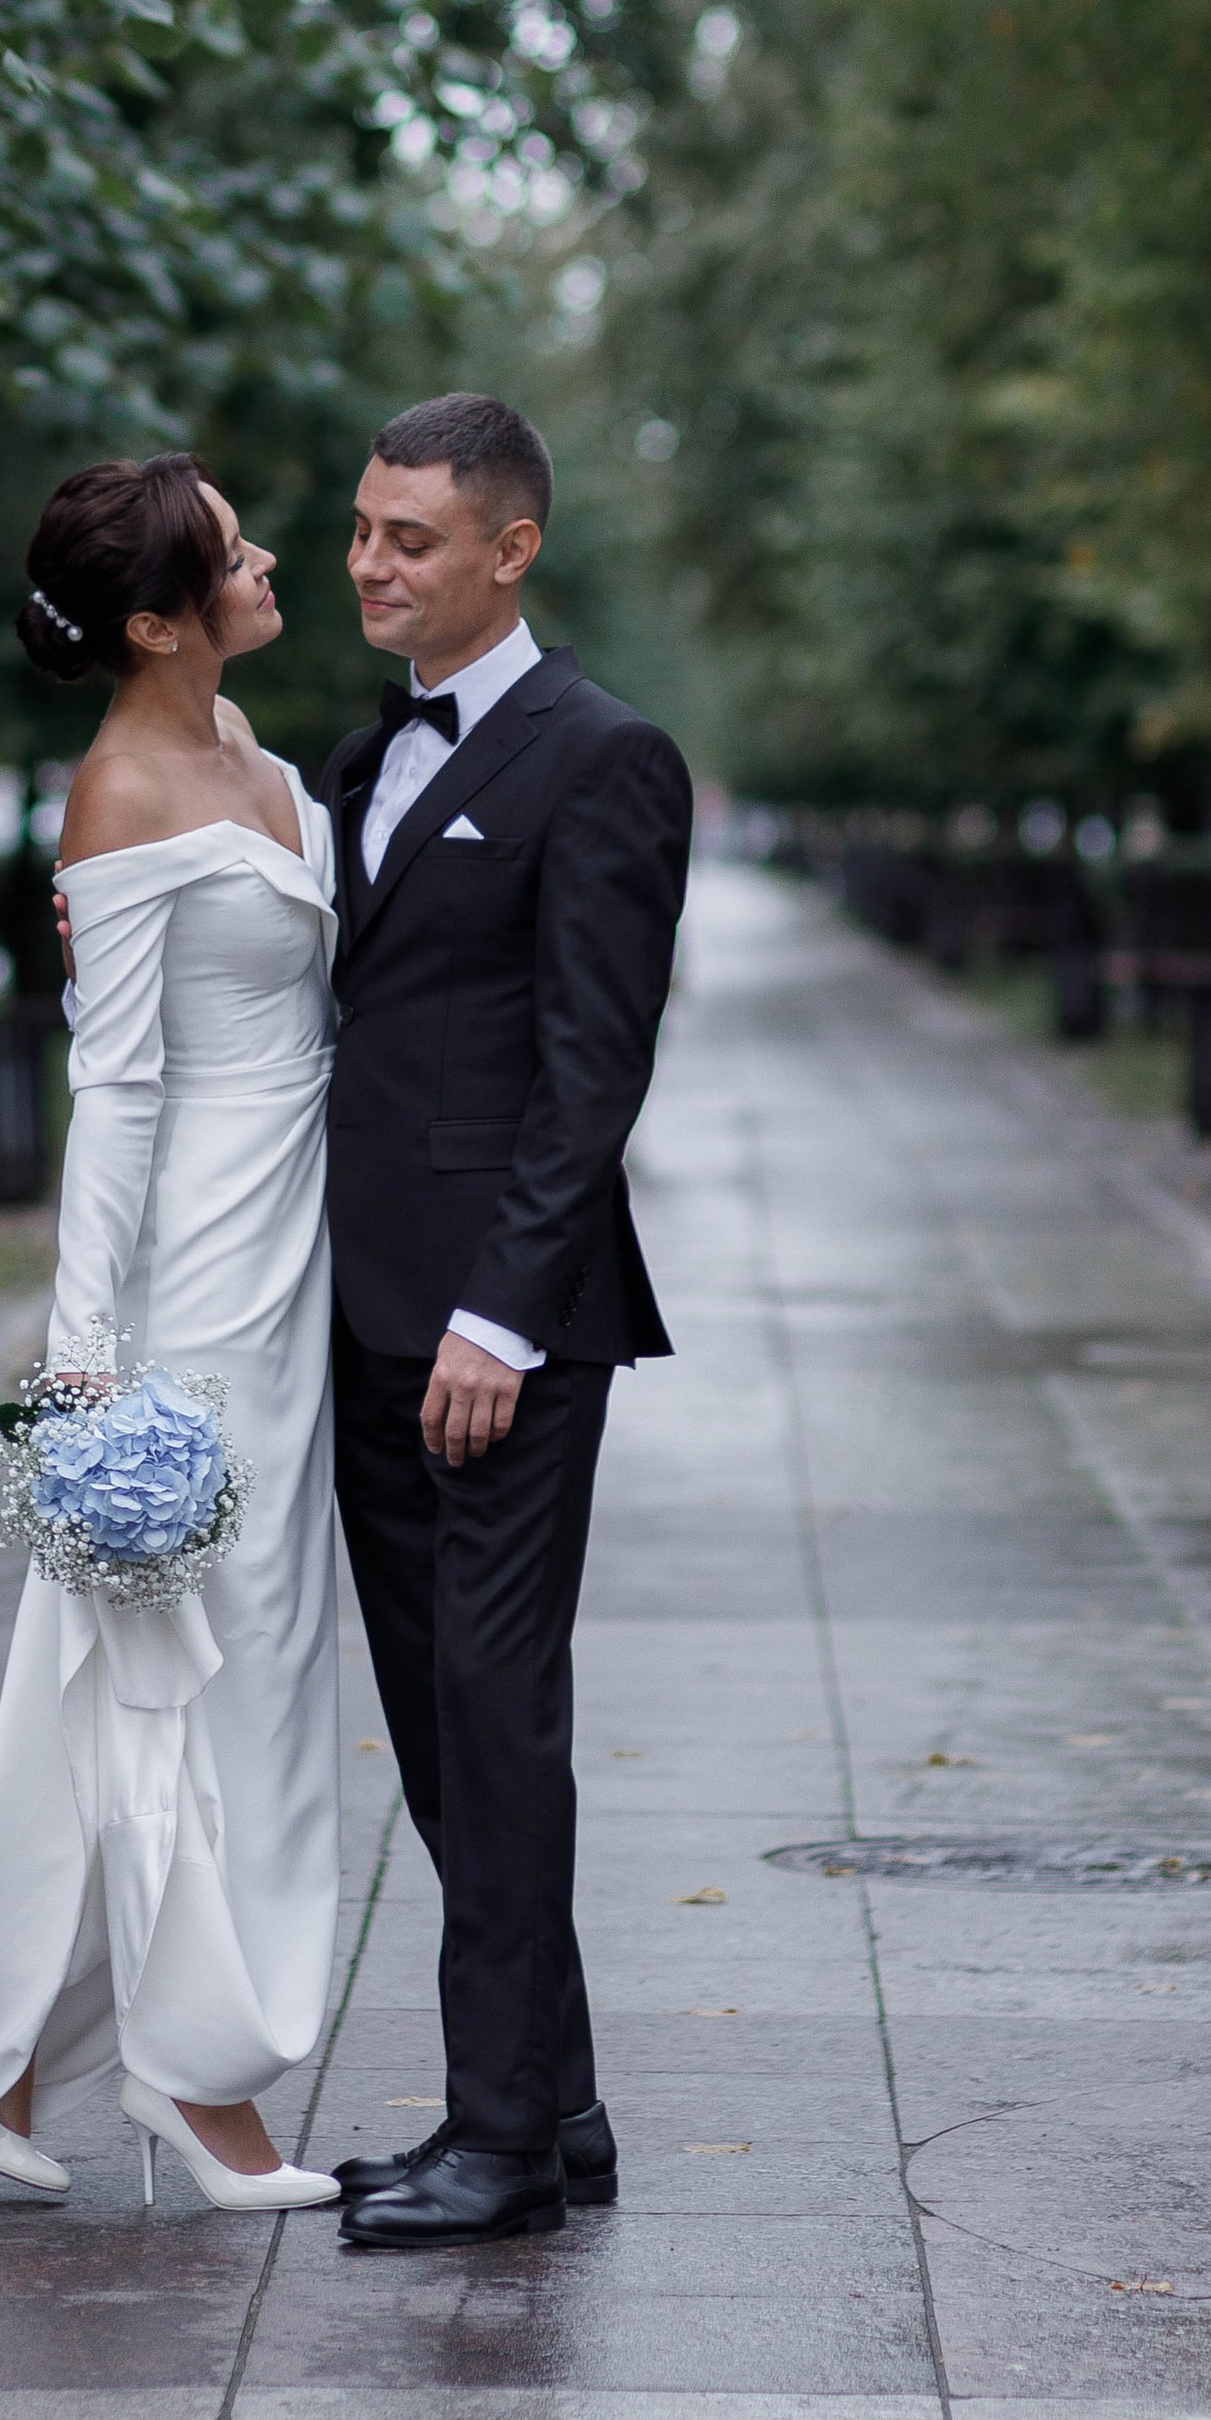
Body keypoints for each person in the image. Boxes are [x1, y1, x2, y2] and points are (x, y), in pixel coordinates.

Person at [0, 453, 343, 2214]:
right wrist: (82, 1366)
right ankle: (201, 2088)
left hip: (298, 1264)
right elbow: (121, 1093)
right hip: (197, 1299)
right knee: (194, 1689)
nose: (273, 554)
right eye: (237, 552)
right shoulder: (125, 794)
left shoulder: (262, 765)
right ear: (157, 619)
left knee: (233, 1677)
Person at [318, 394, 691, 2247]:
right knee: (433, 1716)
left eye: (413, 538)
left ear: (511, 548)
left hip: (501, 1334)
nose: (373, 563)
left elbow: (587, 1070)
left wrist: (501, 1315)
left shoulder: (606, 758)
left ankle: (497, 2142)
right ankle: (557, 2101)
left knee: (494, 1706)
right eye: (365, 530)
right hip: (357, 1311)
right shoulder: (355, 754)